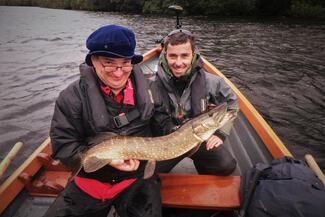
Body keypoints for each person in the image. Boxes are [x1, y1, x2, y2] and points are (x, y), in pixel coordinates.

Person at [44, 25, 173, 217]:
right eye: (109, 63)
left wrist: (187, 131)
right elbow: (64, 146)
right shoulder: (71, 98)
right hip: (90, 181)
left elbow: (165, 131)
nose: (119, 72)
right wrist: (109, 160)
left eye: (125, 63)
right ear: (93, 61)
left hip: (137, 179)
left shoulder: (152, 90)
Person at [155, 29, 238, 176]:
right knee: (144, 175)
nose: (179, 62)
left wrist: (221, 133)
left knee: (226, 165)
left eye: (184, 56)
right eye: (173, 56)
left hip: (199, 137)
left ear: (193, 56)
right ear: (165, 55)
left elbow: (231, 105)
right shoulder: (151, 84)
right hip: (166, 141)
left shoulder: (212, 82)